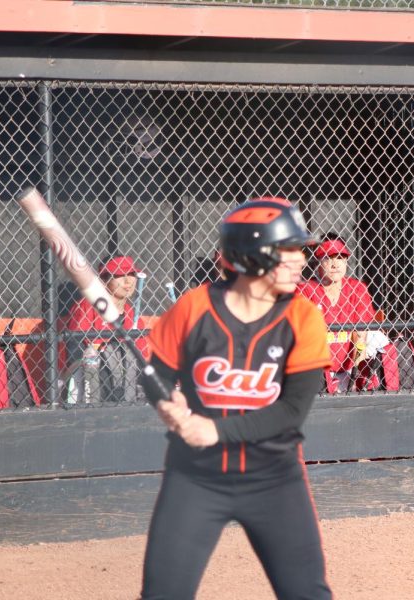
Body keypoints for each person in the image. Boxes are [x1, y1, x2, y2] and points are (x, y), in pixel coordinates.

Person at [139, 197, 333, 599]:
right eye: (290, 250)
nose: (301, 260)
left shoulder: (303, 317)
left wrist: (214, 430)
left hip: (274, 480)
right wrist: (166, 404)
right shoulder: (193, 307)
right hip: (195, 479)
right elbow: (155, 373)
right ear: (253, 255)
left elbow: (292, 412)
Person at [297, 234, 388, 393]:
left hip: (349, 369)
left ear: (346, 260)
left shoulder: (356, 288)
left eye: (340, 257)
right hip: (317, 372)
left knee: (376, 337)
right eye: (328, 258)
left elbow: (360, 335)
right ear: (318, 261)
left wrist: (356, 375)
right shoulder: (305, 290)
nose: (335, 264)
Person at [64, 254, 148, 404]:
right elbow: (73, 355)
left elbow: (142, 360)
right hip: (89, 384)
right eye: (119, 275)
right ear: (103, 280)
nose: (128, 281)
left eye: (131, 274)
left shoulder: (132, 315)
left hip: (125, 388)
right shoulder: (87, 306)